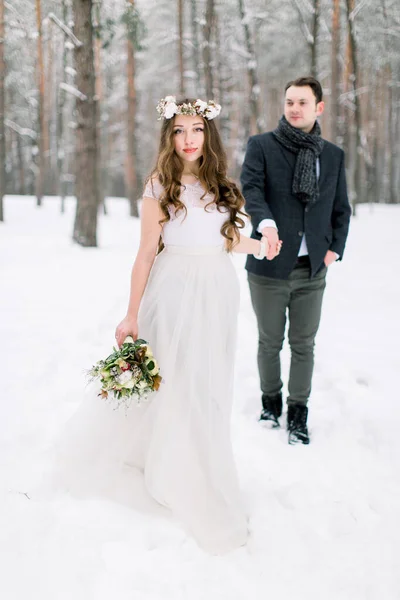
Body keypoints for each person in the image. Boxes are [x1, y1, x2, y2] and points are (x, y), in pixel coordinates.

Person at [55, 96, 280, 555]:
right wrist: (131, 312)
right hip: (175, 289)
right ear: (170, 137)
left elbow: (224, 238)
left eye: (196, 130)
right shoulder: (160, 186)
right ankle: (168, 464)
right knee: (172, 380)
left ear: (207, 133)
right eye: (179, 131)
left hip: (216, 290)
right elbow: (144, 254)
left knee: (205, 381)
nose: (188, 139)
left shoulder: (220, 184)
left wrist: (257, 248)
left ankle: (198, 459)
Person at [240, 76, 351, 445]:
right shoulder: (262, 146)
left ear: (318, 107)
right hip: (268, 266)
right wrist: (266, 224)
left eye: (302, 102)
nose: (294, 108)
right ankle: (270, 404)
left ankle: (298, 412)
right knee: (269, 342)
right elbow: (252, 190)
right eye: (289, 101)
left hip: (312, 269)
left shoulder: (332, 155)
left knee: (304, 344)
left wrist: (334, 249)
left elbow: (341, 209)